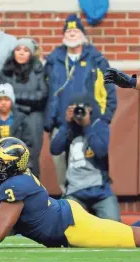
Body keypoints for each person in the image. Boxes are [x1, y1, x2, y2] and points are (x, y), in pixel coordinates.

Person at [0, 137, 140, 248]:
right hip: (65, 215)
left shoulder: (14, 185)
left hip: (71, 227)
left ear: (12, 166)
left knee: (134, 238)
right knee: (122, 231)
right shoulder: (13, 179)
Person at [43, 14, 117, 192]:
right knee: (63, 173)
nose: (72, 34)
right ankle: (69, 204)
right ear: (63, 35)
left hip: (89, 124)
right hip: (62, 125)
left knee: (93, 167)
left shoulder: (97, 60)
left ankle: (97, 206)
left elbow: (109, 92)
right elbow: (47, 91)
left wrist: (103, 120)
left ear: (83, 34)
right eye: (68, 31)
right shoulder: (53, 61)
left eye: (76, 30)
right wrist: (50, 122)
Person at [50, 94, 120, 221]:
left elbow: (101, 151)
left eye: (82, 109)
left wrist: (87, 126)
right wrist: (66, 124)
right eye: (75, 110)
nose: (79, 113)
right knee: (66, 225)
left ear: (90, 110)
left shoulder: (99, 125)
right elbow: (55, 150)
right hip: (74, 191)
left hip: (100, 191)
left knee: (115, 225)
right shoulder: (69, 128)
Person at [0, 38, 47, 177]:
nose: (21, 53)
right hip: (11, 116)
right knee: (9, 153)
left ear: (31, 53)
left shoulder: (37, 69)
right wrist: (21, 102)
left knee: (31, 156)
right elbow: (1, 94)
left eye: (25, 50)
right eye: (18, 49)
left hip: (33, 117)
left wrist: (14, 97)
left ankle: (33, 188)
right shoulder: (7, 69)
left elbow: (41, 95)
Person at [0, 83, 33, 170]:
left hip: (16, 163)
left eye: (6, 99)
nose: (3, 102)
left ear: (12, 100)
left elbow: (29, 143)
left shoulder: (22, 119)